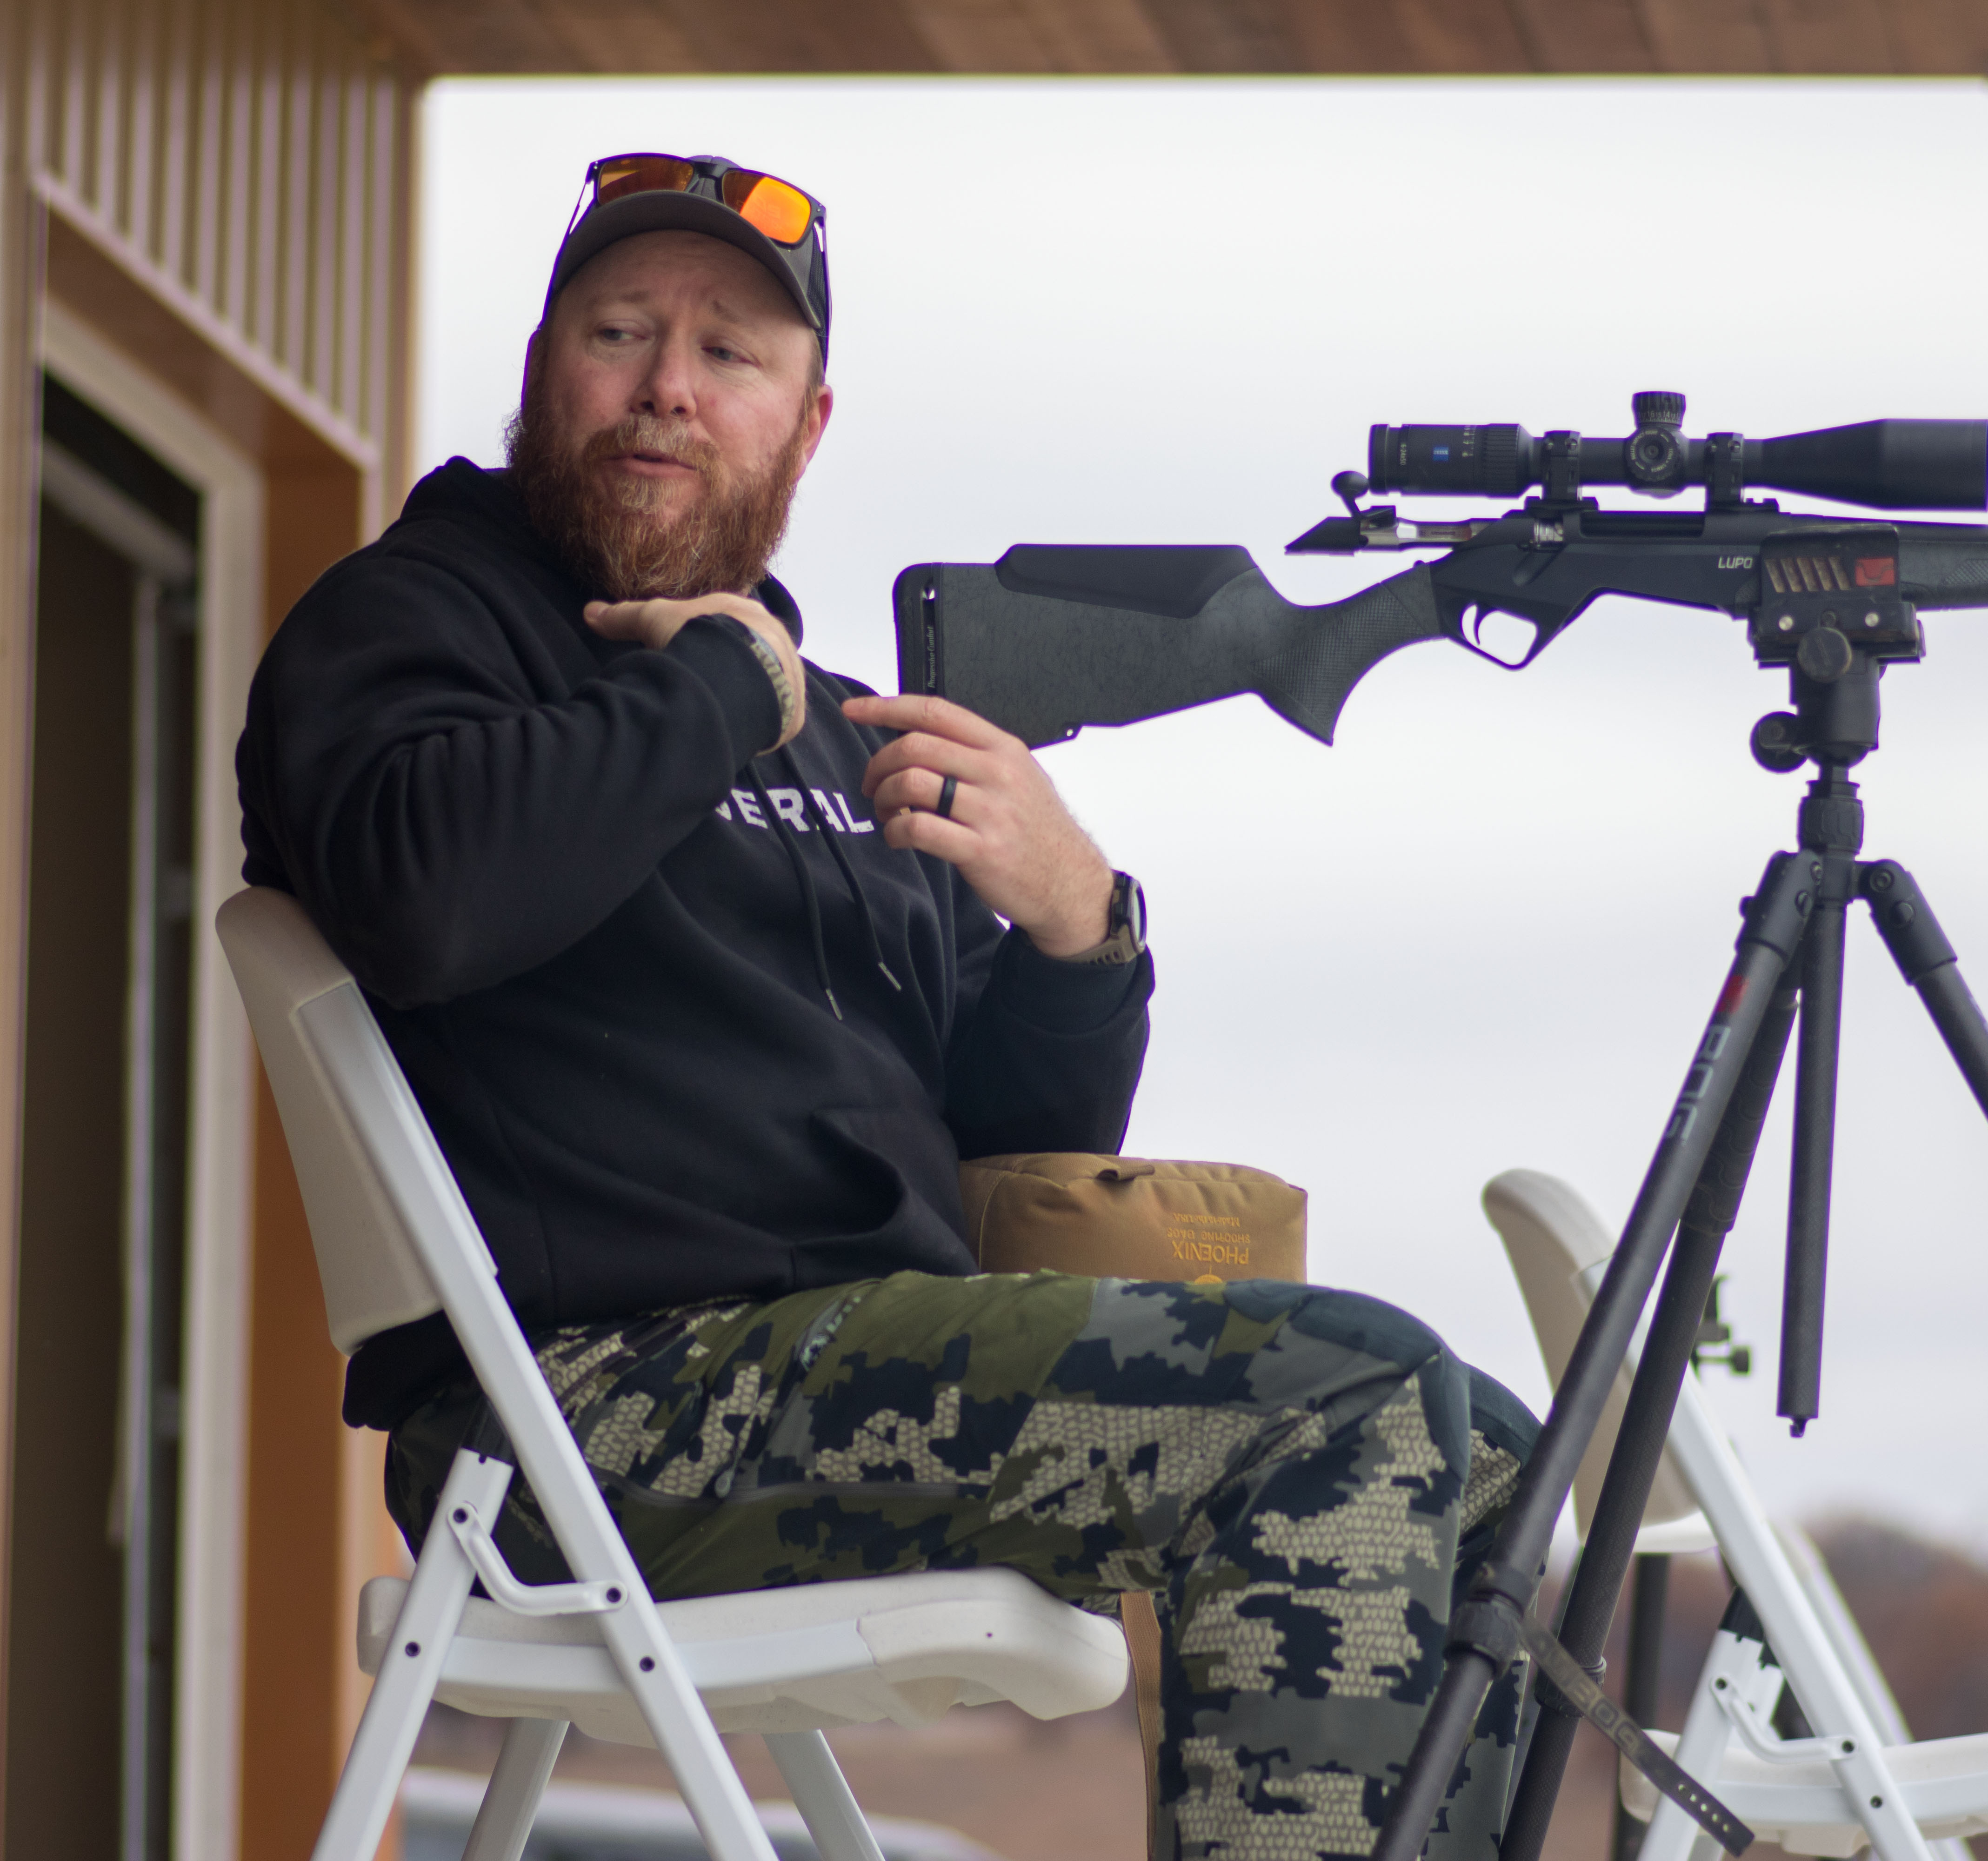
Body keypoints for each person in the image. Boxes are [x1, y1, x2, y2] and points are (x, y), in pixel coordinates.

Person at [236, 153, 1537, 1861]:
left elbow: (1007, 1169)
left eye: (730, 356)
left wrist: (1083, 935)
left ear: (809, 423)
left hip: (862, 1375)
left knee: (1497, 1465)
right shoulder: (418, 625)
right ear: (547, 365)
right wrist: (719, 685)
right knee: (1351, 1396)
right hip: (588, 1417)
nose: (667, 390)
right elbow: (424, 897)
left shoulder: (856, 738)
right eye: (620, 332)